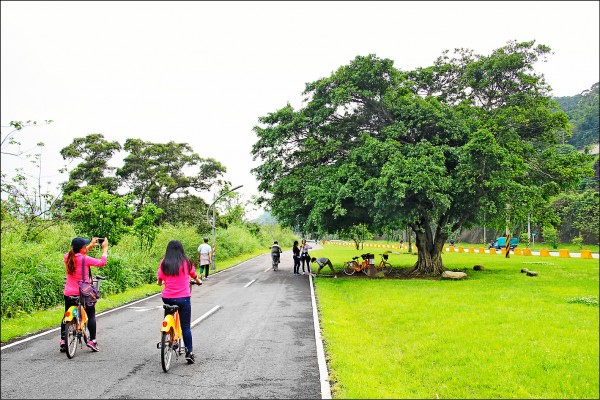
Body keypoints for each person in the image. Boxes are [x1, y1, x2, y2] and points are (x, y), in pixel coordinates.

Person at [157, 240, 202, 364]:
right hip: (183, 299)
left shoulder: (164, 263)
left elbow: (160, 279)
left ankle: (168, 335)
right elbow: (194, 275)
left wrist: (160, 283)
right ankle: (189, 352)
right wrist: (198, 281)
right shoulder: (187, 262)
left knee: (168, 314)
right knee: (186, 327)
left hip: (167, 298)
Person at [60, 236, 108, 353]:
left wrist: (90, 245)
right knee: (91, 315)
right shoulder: (85, 259)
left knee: (66, 314)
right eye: (84, 246)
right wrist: (105, 249)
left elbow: (77, 254)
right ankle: (92, 340)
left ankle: (62, 340)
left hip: (69, 292)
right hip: (83, 292)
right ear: (82, 248)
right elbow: (102, 262)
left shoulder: (67, 257)